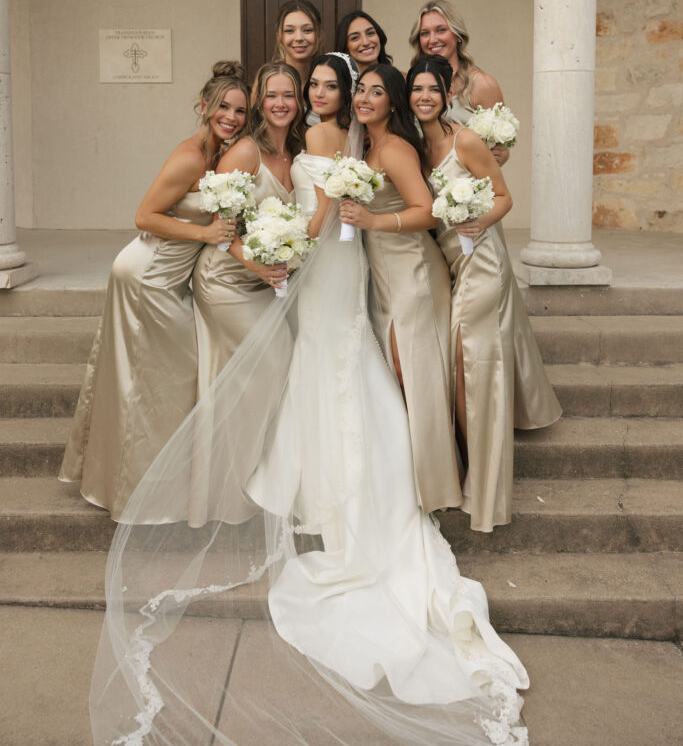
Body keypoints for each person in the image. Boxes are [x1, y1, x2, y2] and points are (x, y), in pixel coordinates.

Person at [90, 55, 530, 746]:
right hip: (304, 263)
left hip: (334, 259)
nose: (309, 98)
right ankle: (312, 474)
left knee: (338, 353)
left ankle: (352, 487)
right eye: (301, 89)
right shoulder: (273, 148)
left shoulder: (347, 142)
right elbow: (232, 223)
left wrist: (326, 218)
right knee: (314, 359)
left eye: (321, 88)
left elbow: (375, 206)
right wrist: (276, 248)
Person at [58, 61, 248, 521]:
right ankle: (132, 492)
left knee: (149, 379)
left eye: (241, 110)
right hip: (147, 275)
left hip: (166, 278)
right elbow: (144, 216)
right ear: (203, 107)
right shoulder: (189, 156)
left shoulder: (221, 156)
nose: (232, 116)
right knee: (150, 381)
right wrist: (205, 235)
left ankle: (133, 480)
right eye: (223, 106)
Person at [409, 54, 561, 532]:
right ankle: (469, 470)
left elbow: (503, 197)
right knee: (460, 372)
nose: (426, 97)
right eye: (418, 90)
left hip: (482, 265)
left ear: (447, 96)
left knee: (475, 371)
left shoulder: (465, 140)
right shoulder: (415, 148)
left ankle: (488, 489)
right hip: (452, 266)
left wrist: (478, 221)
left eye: (434, 89)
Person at [339, 62, 462, 514]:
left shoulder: (393, 149)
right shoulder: (367, 146)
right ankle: (412, 478)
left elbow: (427, 211)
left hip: (413, 274)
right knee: (399, 376)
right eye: (360, 91)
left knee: (418, 378)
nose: (365, 99)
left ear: (393, 101)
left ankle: (435, 487)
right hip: (385, 276)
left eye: (376, 92)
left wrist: (373, 220)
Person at [192, 62, 306, 397]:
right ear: (259, 103)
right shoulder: (245, 151)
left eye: (288, 95)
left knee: (274, 371)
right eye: (271, 96)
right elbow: (220, 225)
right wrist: (253, 263)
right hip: (226, 278)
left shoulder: (299, 152)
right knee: (275, 357)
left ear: (299, 102)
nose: (280, 103)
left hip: (268, 282)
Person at [409, 0, 509, 165]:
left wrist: (500, 156)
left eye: (441, 30)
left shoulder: (482, 84)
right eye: (425, 33)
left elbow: (502, 150)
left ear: (457, 35)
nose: (432, 40)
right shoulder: (414, 84)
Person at [271, 0, 324, 85]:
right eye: (289, 30)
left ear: (319, 35)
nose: (299, 38)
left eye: (307, 30)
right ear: (279, 37)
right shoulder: (268, 78)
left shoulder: (331, 76)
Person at [335, 9, 393, 73]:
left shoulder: (401, 79)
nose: (366, 42)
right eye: (355, 38)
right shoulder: (338, 82)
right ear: (345, 47)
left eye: (370, 33)